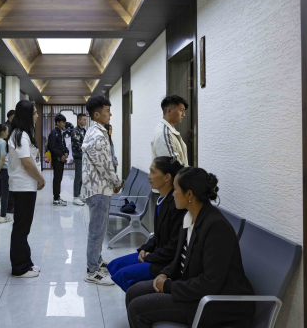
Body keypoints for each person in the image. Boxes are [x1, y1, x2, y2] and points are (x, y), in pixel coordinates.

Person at [126, 167, 255, 328]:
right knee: (133, 292)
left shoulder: (216, 226)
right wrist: (165, 274)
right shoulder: (189, 218)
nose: (172, 194)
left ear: (189, 194)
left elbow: (210, 283)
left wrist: (168, 286)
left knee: (137, 308)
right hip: (193, 290)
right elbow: (180, 259)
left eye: (175, 189)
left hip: (217, 304)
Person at [107, 157, 184, 291]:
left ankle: (139, 297)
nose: (149, 176)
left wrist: (150, 256)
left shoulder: (176, 205)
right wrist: (144, 249)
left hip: (165, 263)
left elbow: (174, 246)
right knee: (113, 265)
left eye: (153, 172)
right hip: (156, 254)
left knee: (123, 275)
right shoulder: (161, 199)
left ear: (167, 177)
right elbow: (157, 235)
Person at [82, 96, 123, 285]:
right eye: (107, 111)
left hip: (98, 187)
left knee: (99, 228)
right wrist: (116, 181)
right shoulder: (98, 135)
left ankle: (97, 261)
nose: (110, 114)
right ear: (97, 115)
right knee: (97, 230)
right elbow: (105, 165)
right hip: (98, 188)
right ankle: (92, 271)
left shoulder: (95, 131)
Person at [8, 100, 46, 278]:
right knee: (21, 228)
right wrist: (41, 179)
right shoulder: (20, 135)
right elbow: (27, 162)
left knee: (23, 227)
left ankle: (26, 262)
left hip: (25, 186)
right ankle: (20, 268)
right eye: (34, 112)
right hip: (23, 186)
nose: (37, 115)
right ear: (26, 115)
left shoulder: (22, 134)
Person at [151, 95, 189, 167]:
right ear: (169, 111)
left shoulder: (169, 130)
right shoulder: (165, 134)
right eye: (181, 110)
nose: (184, 115)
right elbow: (172, 165)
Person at [47, 113, 69, 206]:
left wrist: (66, 152)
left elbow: (63, 145)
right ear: (57, 123)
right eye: (62, 122)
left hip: (61, 159)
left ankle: (58, 196)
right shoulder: (53, 133)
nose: (64, 124)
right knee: (57, 179)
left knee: (59, 178)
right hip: (57, 159)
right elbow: (52, 147)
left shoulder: (61, 132)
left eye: (64, 122)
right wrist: (61, 155)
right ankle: (56, 198)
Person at [72, 113, 87, 206]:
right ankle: (75, 197)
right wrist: (87, 148)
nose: (85, 121)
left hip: (84, 156)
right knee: (78, 176)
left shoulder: (84, 130)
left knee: (82, 176)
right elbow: (78, 145)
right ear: (79, 120)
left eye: (86, 119)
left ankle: (78, 194)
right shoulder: (75, 131)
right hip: (78, 156)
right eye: (84, 119)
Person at [4, 110, 16, 214]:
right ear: (12, 116)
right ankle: (9, 206)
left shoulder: (11, 126)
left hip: (11, 155)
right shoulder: (6, 126)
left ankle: (11, 205)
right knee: (9, 184)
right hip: (8, 156)